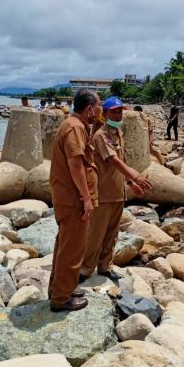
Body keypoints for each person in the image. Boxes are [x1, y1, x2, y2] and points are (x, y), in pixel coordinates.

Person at [80, 98, 153, 283]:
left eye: (120, 111)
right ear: (105, 114)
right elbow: (113, 160)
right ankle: (85, 269)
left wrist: (129, 183)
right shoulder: (101, 135)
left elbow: (122, 162)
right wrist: (136, 176)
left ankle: (105, 266)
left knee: (112, 234)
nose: (118, 115)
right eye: (113, 112)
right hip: (103, 194)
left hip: (117, 194)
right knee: (95, 234)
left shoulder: (118, 132)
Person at [48, 89, 101, 312]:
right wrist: (87, 199)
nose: (100, 113)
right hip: (74, 201)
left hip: (69, 198)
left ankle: (61, 288)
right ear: (89, 109)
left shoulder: (74, 125)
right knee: (72, 249)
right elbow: (76, 164)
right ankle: (60, 298)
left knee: (66, 245)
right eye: (98, 108)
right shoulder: (75, 127)